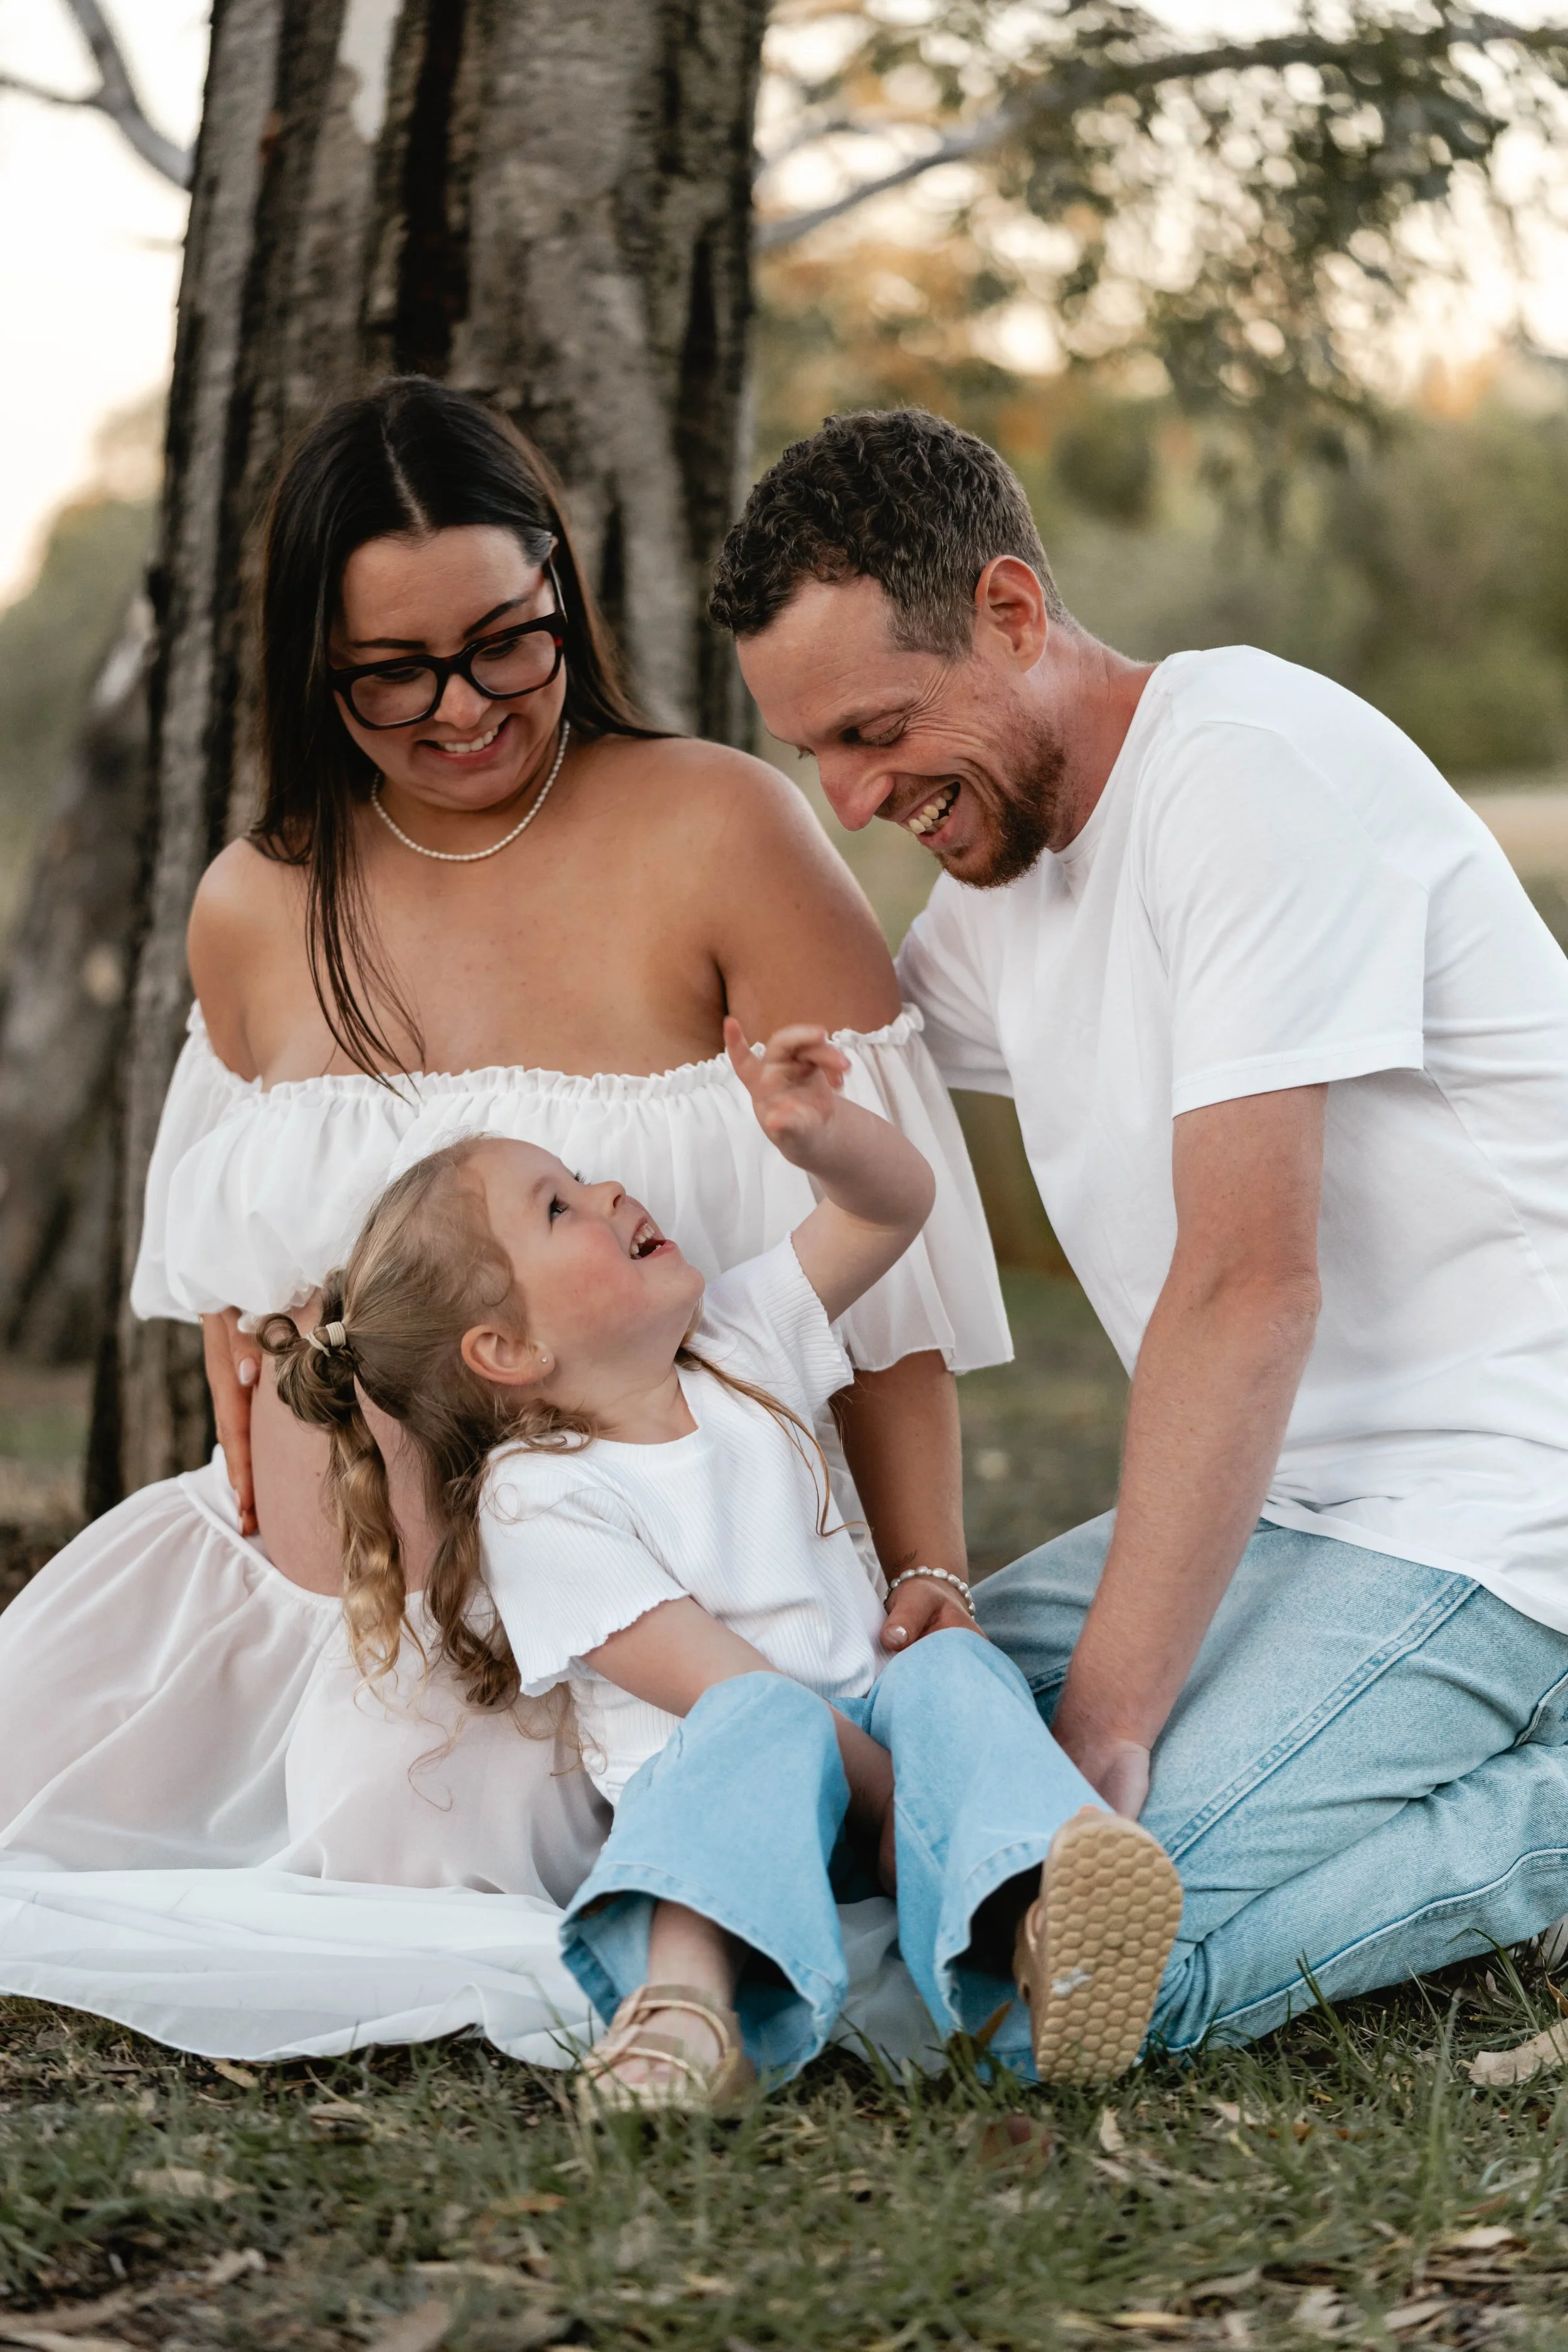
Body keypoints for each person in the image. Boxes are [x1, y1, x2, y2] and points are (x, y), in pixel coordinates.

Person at [0, 383, 1007, 2063]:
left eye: (502, 642)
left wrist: (926, 1576)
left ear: (564, 591)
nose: (463, 707)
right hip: (327, 1661)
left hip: (687, 1647)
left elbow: (887, 1294)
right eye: (393, 671)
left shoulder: (723, 828)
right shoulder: (255, 902)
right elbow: (240, 1299)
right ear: (312, 669)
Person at [711, 405, 1568, 2055]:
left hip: (1494, 1500)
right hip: (1270, 1505)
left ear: (1011, 612)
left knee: (1056, 1981)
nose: (853, 797)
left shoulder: (1244, 775)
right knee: (857, 1797)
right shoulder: (998, 888)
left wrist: (1106, 1724)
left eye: (874, 729)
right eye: (813, 752)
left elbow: (1246, 1287)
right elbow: (816, 1095)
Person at [260, 1019, 1182, 2106]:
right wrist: (902, 1809)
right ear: (507, 1350)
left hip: (882, 1761)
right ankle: (681, 2007)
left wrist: (825, 1136)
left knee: (952, 1665)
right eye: (558, 1207)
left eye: (580, 1180)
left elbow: (894, 1207)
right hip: (744, 1806)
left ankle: (1036, 1923)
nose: (609, 1191)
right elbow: (723, 1686)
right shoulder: (536, 1498)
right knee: (763, 1715)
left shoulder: (739, 1340)